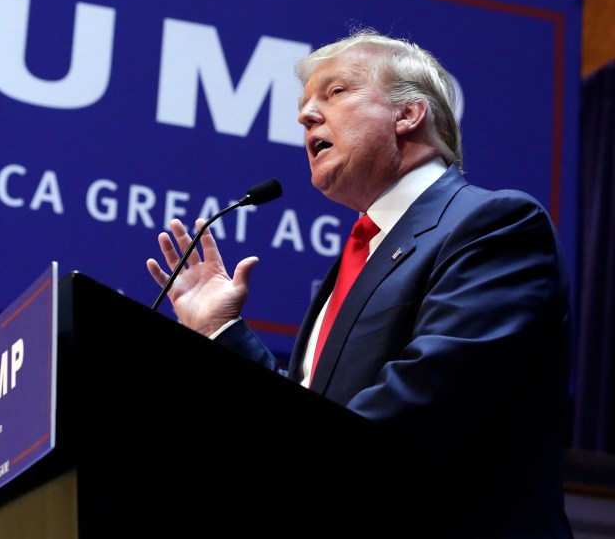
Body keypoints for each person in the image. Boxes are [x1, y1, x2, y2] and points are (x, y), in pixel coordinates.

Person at [146, 29, 573, 538]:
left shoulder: (495, 222)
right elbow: (311, 411)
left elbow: (423, 402)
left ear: (408, 114)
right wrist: (221, 330)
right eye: (304, 107)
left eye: (336, 92)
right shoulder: (360, 255)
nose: (306, 117)